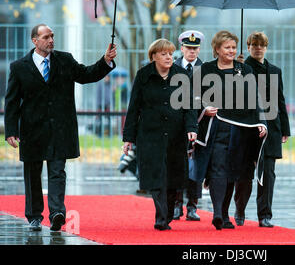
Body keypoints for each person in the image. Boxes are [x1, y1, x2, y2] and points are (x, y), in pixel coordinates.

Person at [4, 23, 116, 231]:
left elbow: (86, 75)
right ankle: (35, 216)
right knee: (32, 173)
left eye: (52, 36)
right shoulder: (19, 67)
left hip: (60, 129)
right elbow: (11, 101)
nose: (51, 40)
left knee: (57, 171)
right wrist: (11, 130)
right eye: (46, 37)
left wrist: (105, 61)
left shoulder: (65, 60)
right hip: (32, 130)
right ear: (35, 41)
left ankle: (57, 212)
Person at [191, 30, 267, 230]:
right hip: (215, 127)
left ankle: (225, 214)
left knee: (232, 170)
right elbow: (193, 96)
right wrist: (204, 108)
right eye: (227, 47)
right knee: (218, 168)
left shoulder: (244, 70)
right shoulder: (206, 69)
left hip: (240, 129)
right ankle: (217, 213)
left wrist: (260, 121)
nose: (232, 51)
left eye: (234, 47)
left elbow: (254, 98)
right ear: (217, 49)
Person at [122, 39, 198, 230]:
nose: (168, 57)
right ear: (153, 56)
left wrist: (192, 128)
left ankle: (167, 213)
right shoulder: (143, 76)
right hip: (150, 134)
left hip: (175, 134)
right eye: (164, 54)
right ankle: (161, 217)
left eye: (171, 54)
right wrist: (128, 138)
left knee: (173, 177)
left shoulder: (182, 75)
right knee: (156, 175)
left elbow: (189, 106)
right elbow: (134, 108)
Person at [234, 31, 291, 227]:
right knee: (245, 173)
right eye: (254, 45)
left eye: (262, 45)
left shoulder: (275, 70)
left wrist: (285, 128)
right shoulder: (241, 68)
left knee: (268, 174)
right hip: (248, 127)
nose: (258, 48)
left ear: (266, 47)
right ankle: (240, 210)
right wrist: (237, 69)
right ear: (248, 46)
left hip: (271, 127)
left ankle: (264, 215)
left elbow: (280, 100)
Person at [172, 30, 204, 221]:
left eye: (195, 48)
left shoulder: (206, 68)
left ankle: (192, 205)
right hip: (177, 123)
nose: (192, 52)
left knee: (196, 164)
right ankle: (177, 205)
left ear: (199, 49)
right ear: (182, 48)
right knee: (177, 164)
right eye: (188, 48)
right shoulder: (173, 67)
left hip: (199, 121)